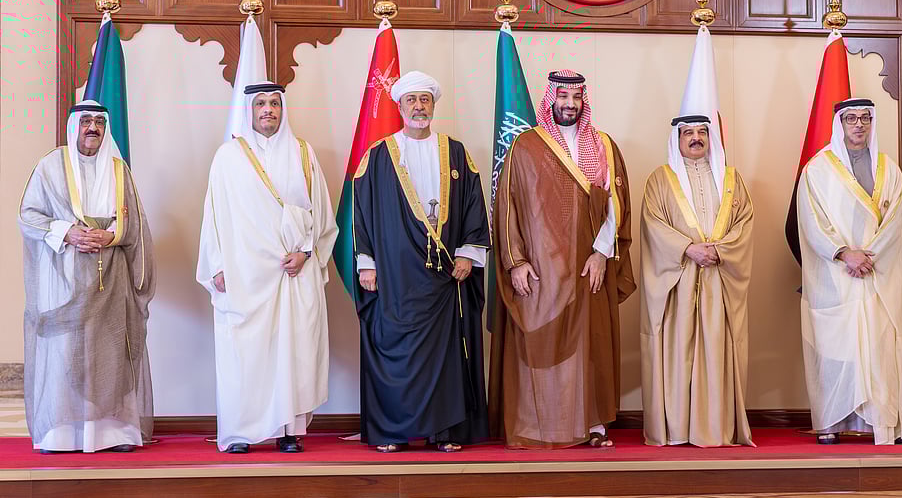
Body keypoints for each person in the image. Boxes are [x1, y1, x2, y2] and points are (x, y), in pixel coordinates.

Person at [489, 70, 635, 448]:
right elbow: (508, 206)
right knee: (544, 343)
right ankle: (541, 425)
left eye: (576, 98)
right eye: (563, 97)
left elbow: (615, 207)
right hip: (542, 269)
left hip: (588, 266)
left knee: (590, 343)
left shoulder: (602, 145)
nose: (570, 105)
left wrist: (601, 254)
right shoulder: (526, 146)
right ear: (551, 99)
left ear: (583, 101)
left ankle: (593, 424)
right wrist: (515, 261)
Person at [353, 71, 490, 453]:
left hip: (445, 276)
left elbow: (474, 207)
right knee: (394, 347)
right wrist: (367, 262)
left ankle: (444, 432)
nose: (418, 107)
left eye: (425, 100)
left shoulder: (456, 152)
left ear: (433, 105)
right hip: (395, 276)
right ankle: (393, 433)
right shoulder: (379, 155)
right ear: (399, 107)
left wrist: (467, 253)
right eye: (411, 100)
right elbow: (361, 213)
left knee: (445, 355)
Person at [198, 83, 337, 454]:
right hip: (245, 274)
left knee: (294, 350)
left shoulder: (303, 153)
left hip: (293, 272)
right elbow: (214, 215)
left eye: (275, 103)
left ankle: (289, 431)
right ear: (249, 110)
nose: (268, 110)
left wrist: (306, 253)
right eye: (260, 103)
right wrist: (216, 265)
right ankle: (241, 432)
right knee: (246, 352)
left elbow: (321, 215)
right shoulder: (228, 157)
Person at [18, 101, 155, 453]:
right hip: (65, 281)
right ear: (74, 126)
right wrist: (68, 232)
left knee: (111, 353)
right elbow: (28, 216)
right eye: (86, 122)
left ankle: (114, 433)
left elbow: (135, 223)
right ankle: (61, 435)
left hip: (112, 281)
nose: (92, 128)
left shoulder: (119, 170)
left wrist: (111, 235)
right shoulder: (51, 166)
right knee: (66, 353)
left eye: (98, 122)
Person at [795, 98, 902, 445]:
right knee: (838, 350)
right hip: (836, 276)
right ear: (840, 124)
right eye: (851, 119)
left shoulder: (889, 169)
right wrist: (845, 254)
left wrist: (867, 256)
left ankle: (885, 423)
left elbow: (894, 221)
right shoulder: (817, 170)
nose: (859, 125)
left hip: (877, 274)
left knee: (880, 347)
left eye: (865, 118)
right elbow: (812, 222)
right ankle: (832, 423)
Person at [640, 114, 754, 447]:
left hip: (719, 278)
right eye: (688, 133)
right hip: (678, 282)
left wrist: (720, 251)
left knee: (716, 350)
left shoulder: (731, 178)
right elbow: (653, 224)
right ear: (677, 140)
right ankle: (677, 429)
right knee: (678, 352)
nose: (695, 138)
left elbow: (744, 222)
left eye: (702, 132)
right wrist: (688, 249)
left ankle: (715, 428)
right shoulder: (660, 180)